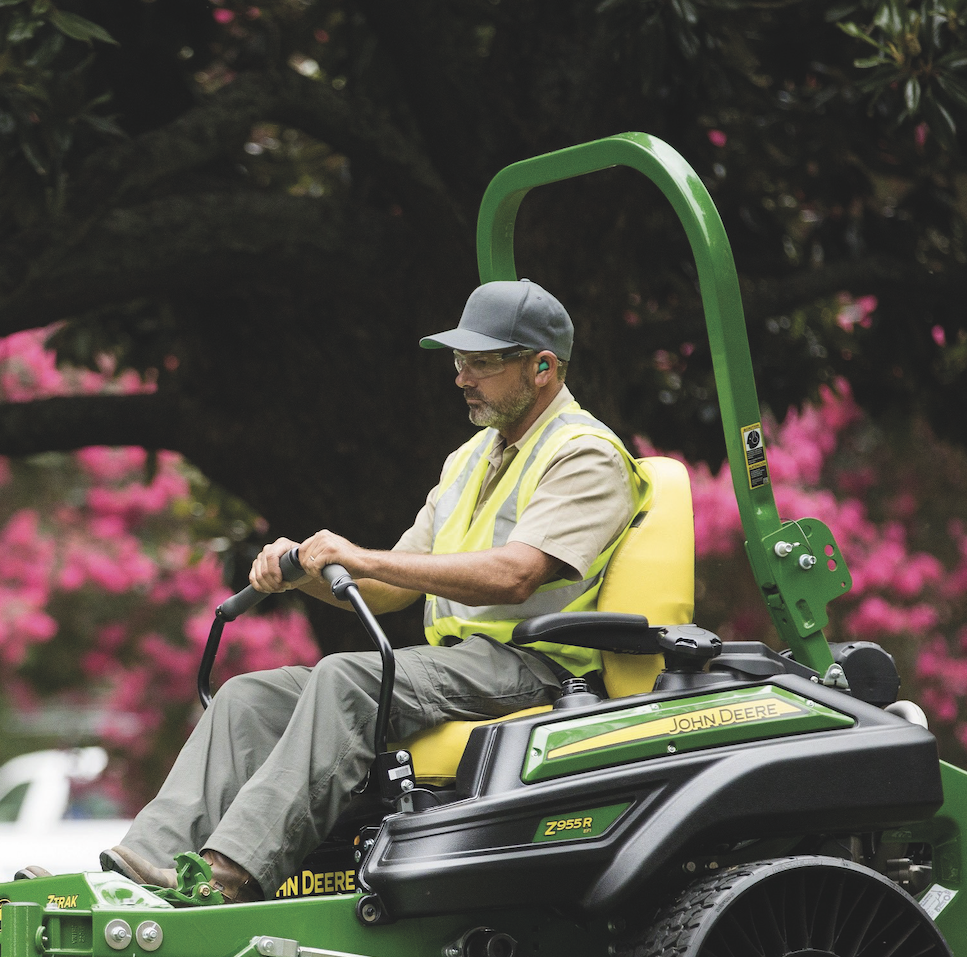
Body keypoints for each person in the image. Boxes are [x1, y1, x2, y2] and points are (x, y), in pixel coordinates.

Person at [101, 279, 647, 901]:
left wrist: (355, 554)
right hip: (461, 664)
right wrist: (303, 572)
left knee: (346, 679)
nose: (462, 377)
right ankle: (141, 867)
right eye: (458, 361)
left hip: (540, 667)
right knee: (248, 698)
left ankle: (228, 878)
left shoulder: (584, 454)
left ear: (543, 367)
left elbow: (515, 575)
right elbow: (390, 588)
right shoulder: (469, 459)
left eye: (481, 364)